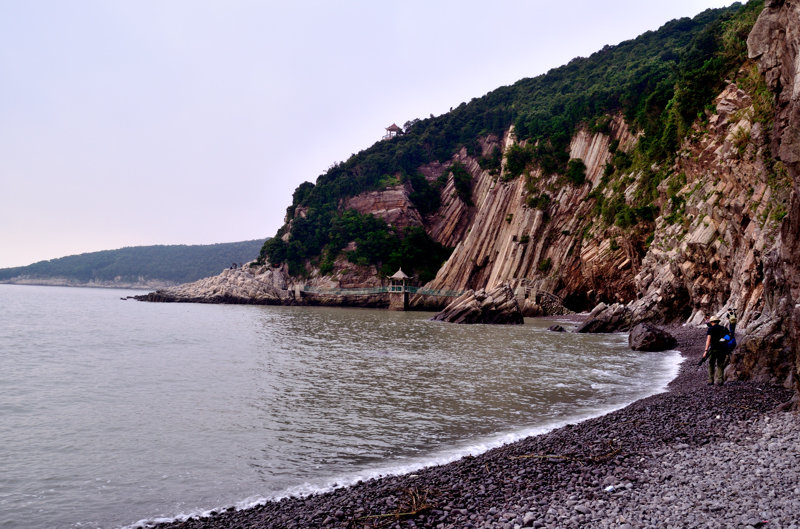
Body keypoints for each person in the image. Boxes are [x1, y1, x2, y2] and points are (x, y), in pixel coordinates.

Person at [702, 315, 728, 386]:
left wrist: (706, 350)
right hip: (722, 349)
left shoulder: (710, 329)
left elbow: (708, 340)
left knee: (711, 364)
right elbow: (729, 336)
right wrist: (722, 340)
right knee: (720, 364)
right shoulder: (723, 328)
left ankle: (711, 380)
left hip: (713, 349)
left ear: (712, 322)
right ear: (718, 322)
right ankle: (720, 380)